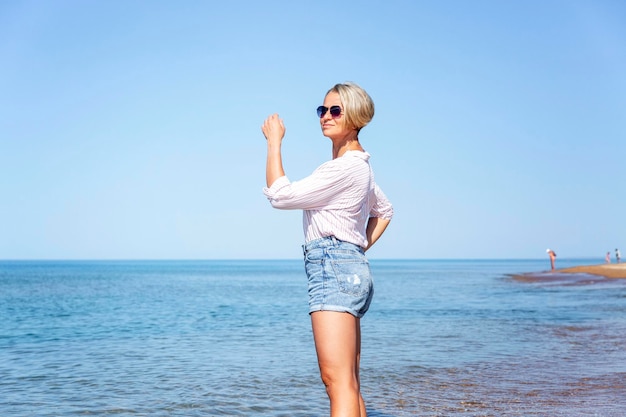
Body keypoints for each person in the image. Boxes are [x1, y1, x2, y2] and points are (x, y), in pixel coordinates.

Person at [262, 82, 393, 417]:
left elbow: (280, 195)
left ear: (355, 117)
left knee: (337, 382)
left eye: (335, 110)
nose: (326, 116)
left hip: (333, 267)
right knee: (347, 383)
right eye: (322, 110)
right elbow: (384, 210)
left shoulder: (343, 168)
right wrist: (357, 247)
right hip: (347, 266)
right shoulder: (360, 168)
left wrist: (274, 143)